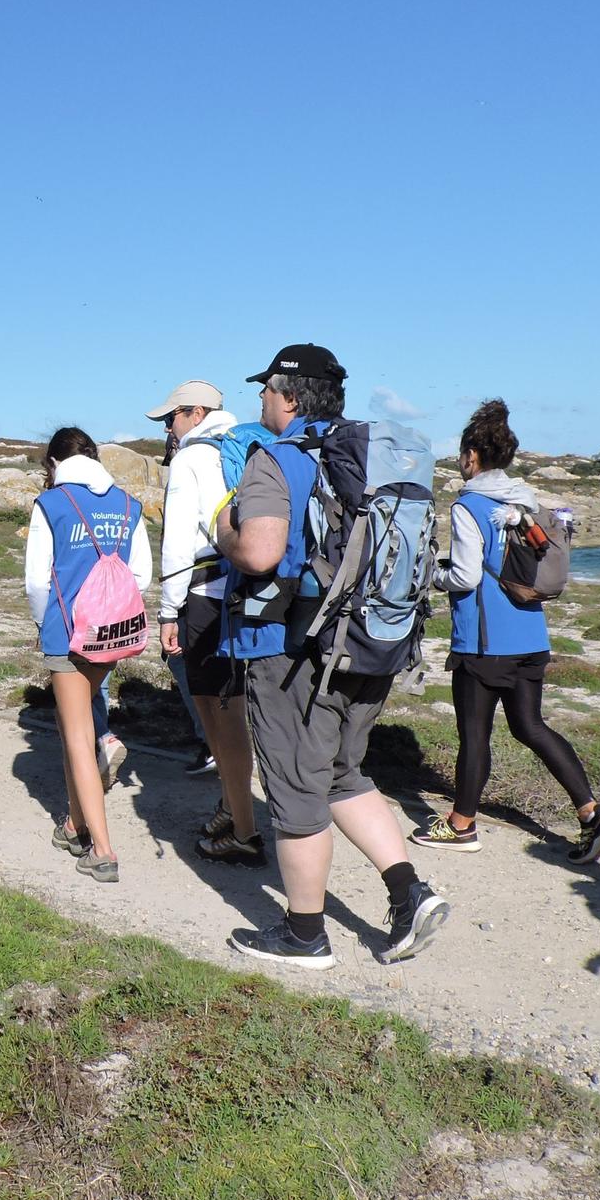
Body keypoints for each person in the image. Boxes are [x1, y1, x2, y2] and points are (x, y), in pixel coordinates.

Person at [213, 343, 448, 969]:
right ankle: (409, 896)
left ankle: (304, 933)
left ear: (289, 394)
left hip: (291, 650)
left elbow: (261, 553)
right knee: (344, 773)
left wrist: (224, 532)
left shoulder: (278, 459)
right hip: (370, 641)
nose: (259, 398)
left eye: (265, 388)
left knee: (295, 787)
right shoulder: (365, 458)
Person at [417, 400, 600, 864]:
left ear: (472, 455)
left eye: (461, 453)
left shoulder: (469, 505)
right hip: (531, 635)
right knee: (531, 726)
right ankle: (593, 815)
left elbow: (467, 577)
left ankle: (461, 825)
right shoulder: (525, 499)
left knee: (475, 735)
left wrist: (431, 575)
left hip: (485, 641)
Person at [24, 427, 153, 883]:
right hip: (112, 634)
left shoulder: (52, 506)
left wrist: (46, 626)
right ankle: (74, 825)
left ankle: (102, 849)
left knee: (79, 738)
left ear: (54, 464)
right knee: (71, 728)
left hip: (68, 634)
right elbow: (140, 576)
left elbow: (37, 581)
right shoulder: (127, 504)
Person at [147, 379, 263, 864]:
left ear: (195, 412)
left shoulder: (193, 458)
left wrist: (168, 610)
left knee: (221, 718)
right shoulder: (254, 446)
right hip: (253, 592)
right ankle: (233, 807)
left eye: (171, 419)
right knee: (233, 709)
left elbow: (176, 544)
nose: (168, 430)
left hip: (205, 594)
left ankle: (245, 829)